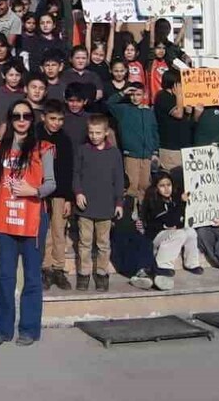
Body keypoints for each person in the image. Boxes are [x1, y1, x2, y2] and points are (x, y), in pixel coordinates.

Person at [0, 100, 56, 346]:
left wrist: (33, 190)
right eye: (16, 115)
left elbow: (52, 184)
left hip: (33, 219)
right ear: (10, 119)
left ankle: (28, 329)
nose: (21, 120)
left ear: (32, 119)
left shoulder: (44, 148)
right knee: (5, 277)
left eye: (26, 116)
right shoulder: (0, 147)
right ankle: (2, 329)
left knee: (31, 277)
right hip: (6, 219)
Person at [72, 115, 123, 292]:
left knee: (103, 243)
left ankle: (102, 274)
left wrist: (119, 203)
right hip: (85, 206)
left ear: (106, 133)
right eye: (91, 132)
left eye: (98, 133)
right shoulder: (82, 150)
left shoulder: (114, 153)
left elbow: (118, 179)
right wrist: (78, 193)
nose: (94, 136)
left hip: (106, 205)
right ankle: (84, 274)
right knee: (84, 243)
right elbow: (76, 175)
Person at [140, 172, 203, 291]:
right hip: (156, 235)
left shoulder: (173, 199)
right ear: (156, 187)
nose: (166, 188)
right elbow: (170, 221)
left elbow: (178, 222)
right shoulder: (155, 201)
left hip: (170, 233)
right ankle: (163, 265)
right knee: (180, 233)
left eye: (168, 185)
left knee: (190, 232)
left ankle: (192, 263)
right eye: (162, 186)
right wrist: (181, 204)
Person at [35, 99, 73, 292]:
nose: (56, 123)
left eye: (60, 119)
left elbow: (68, 171)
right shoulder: (35, 136)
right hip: (40, 192)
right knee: (44, 231)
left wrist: (68, 198)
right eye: (52, 119)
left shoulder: (65, 140)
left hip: (59, 193)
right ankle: (45, 267)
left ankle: (58, 268)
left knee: (59, 230)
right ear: (43, 118)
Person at [107, 83, 159, 201]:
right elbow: (109, 104)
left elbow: (154, 131)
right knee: (132, 186)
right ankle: (130, 214)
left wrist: (155, 151)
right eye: (133, 94)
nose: (135, 97)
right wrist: (123, 92)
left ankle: (142, 214)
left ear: (144, 95)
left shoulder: (149, 112)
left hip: (147, 155)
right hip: (131, 155)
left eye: (138, 94)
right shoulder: (124, 109)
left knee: (145, 186)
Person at [154, 70, 193, 176]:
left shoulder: (177, 97)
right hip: (171, 146)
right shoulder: (163, 96)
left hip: (184, 144)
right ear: (174, 84)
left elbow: (185, 116)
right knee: (173, 176)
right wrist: (179, 96)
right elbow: (178, 114)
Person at [0, 59, 27, 139]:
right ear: (3, 75)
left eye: (17, 75)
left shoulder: (24, 94)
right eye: (11, 75)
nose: (14, 78)